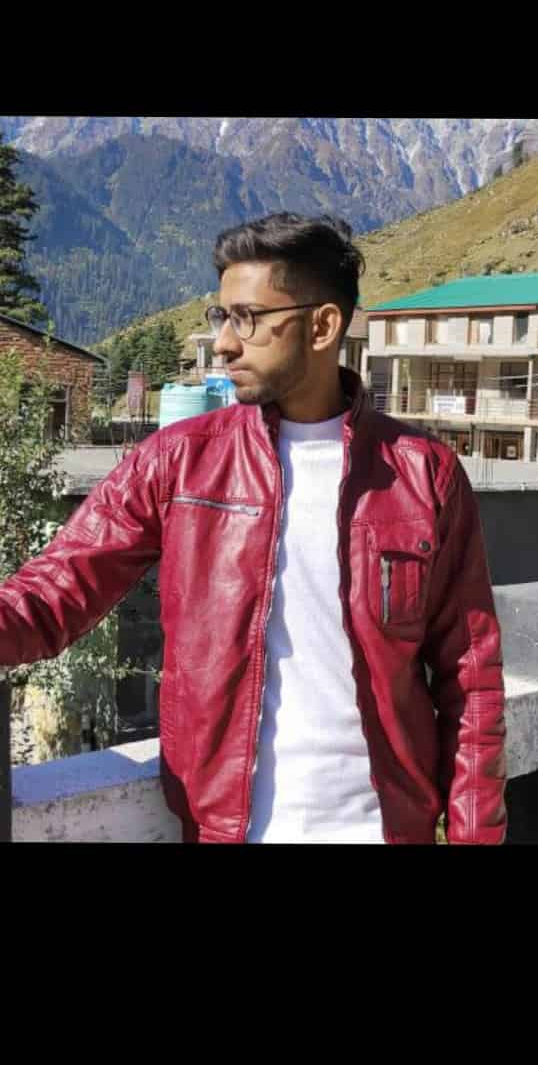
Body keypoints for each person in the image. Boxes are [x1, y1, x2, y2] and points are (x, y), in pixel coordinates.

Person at [0, 213, 506, 844]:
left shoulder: (423, 474)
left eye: (247, 318)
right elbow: (52, 594)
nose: (223, 343)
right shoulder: (176, 462)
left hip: (384, 829)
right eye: (221, 317)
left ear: (322, 325)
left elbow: (470, 677)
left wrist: (476, 835)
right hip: (226, 830)